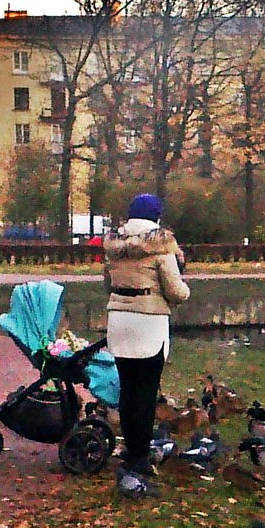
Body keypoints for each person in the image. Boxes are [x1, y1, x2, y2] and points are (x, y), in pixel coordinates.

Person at [103, 194, 190, 478]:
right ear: (157, 218)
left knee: (128, 390)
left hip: (118, 321)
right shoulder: (161, 248)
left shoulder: (114, 248)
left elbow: (109, 285)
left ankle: (131, 448)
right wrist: (184, 281)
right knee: (146, 392)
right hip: (148, 324)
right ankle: (140, 457)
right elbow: (176, 292)